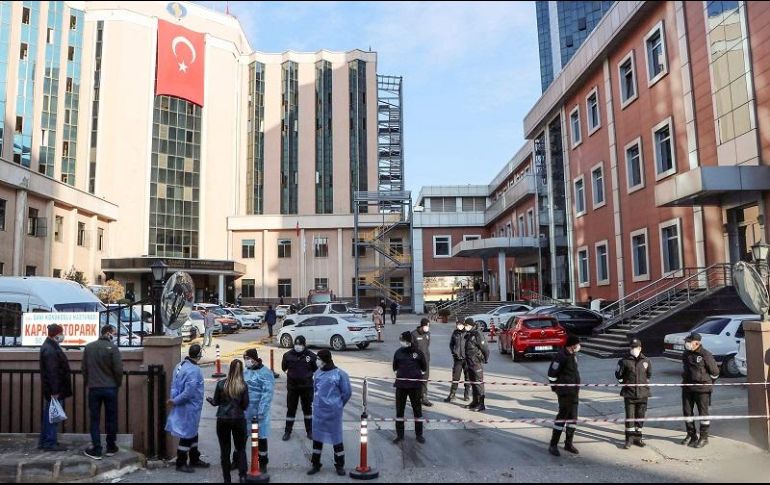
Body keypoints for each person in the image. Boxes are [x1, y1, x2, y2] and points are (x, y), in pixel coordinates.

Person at [166, 344, 210, 473]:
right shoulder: (194, 371)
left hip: (184, 406)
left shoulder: (180, 365)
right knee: (187, 435)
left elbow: (175, 385)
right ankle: (181, 462)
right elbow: (188, 393)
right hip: (190, 407)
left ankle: (194, 457)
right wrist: (175, 401)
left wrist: (174, 399)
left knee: (192, 433)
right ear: (198, 355)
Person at [308, 350, 352, 477]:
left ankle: (339, 466)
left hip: (333, 413)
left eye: (318, 359)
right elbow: (315, 389)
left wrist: (338, 405)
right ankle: (315, 464)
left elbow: (347, 393)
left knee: (336, 439)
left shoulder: (340, 374)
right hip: (319, 411)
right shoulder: (317, 373)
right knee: (317, 439)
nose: (316, 361)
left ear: (325, 359)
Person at [83, 325, 124, 460]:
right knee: (111, 418)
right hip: (110, 387)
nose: (115, 335)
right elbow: (118, 369)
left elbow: (84, 368)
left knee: (94, 419)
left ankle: (97, 448)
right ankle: (111, 446)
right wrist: (117, 383)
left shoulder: (89, 347)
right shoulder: (113, 348)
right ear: (108, 333)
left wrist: (88, 382)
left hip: (94, 387)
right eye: (114, 333)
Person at [207, 360, 249, 483]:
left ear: (230, 369)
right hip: (238, 419)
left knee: (225, 450)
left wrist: (209, 399)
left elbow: (216, 402)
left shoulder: (221, 384)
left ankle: (227, 479)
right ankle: (242, 476)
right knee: (241, 448)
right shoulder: (243, 385)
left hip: (223, 419)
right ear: (241, 370)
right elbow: (245, 405)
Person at [681, 333, 720, 448]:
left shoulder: (705, 355)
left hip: (702, 389)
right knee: (687, 413)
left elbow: (715, 372)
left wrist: (708, 384)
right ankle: (691, 435)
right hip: (687, 387)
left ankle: (704, 437)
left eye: (689, 341)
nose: (686, 344)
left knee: (703, 414)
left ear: (697, 343)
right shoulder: (686, 354)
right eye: (686, 341)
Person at [39, 324, 72, 452]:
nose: (62, 335)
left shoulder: (50, 347)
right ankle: (49, 442)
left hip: (54, 389)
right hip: (55, 390)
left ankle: (46, 441)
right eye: (61, 333)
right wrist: (55, 391)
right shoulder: (50, 349)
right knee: (53, 416)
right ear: (56, 334)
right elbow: (52, 372)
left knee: (51, 415)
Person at [548, 335, 582, 457]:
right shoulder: (561, 356)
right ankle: (553, 445)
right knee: (562, 418)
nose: (579, 346)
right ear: (572, 345)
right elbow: (552, 373)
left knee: (573, 418)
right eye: (577, 344)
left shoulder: (572, 355)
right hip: (565, 393)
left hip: (574, 392)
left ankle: (568, 443)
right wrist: (555, 388)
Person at [615, 339, 651, 449]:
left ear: (640, 348)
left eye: (635, 347)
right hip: (629, 395)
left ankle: (637, 438)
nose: (633, 349)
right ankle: (629, 439)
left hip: (643, 394)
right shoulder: (624, 361)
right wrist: (625, 384)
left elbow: (649, 375)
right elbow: (618, 375)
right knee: (630, 417)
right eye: (632, 347)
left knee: (640, 417)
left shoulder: (646, 361)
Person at [242, 349, 275, 472]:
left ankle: (263, 463)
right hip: (245, 411)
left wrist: (261, 412)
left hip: (259, 413)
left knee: (261, 439)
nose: (246, 361)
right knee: (242, 438)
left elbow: (267, 394)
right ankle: (238, 461)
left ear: (253, 359)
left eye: (247, 359)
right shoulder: (245, 372)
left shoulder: (266, 373)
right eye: (244, 359)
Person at [392, 331, 427, 444]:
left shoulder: (418, 353)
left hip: (415, 386)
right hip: (401, 386)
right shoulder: (398, 352)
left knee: (417, 410)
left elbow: (424, 367)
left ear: (408, 341)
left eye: (403, 340)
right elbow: (395, 367)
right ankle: (400, 435)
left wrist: (415, 376)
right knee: (399, 411)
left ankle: (419, 434)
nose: (401, 342)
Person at [282, 336, 317, 441]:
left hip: (307, 388)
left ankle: (309, 431)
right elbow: (284, 368)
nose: (298, 346)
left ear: (304, 345)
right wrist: (292, 374)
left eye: (300, 344)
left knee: (307, 410)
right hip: (293, 388)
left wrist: (306, 375)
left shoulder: (311, 356)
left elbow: (315, 369)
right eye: (296, 344)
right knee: (291, 409)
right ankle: (287, 431)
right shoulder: (287, 355)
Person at [463, 318, 489, 412]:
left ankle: (481, 404)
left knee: (478, 383)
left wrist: (484, 359)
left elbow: (485, 348)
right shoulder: (470, 334)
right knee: (473, 383)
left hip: (476, 363)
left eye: (466, 325)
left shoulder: (477, 334)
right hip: (469, 363)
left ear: (470, 325)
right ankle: (475, 402)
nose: (465, 327)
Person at [444, 319, 471, 403]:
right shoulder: (455, 333)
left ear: (463, 324)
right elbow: (451, 344)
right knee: (455, 377)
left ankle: (466, 395)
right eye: (457, 324)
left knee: (468, 378)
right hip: (457, 359)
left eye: (459, 324)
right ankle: (452, 394)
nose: (458, 326)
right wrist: (453, 352)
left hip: (467, 359)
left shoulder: (468, 333)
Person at [411, 319, 433, 407]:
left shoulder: (428, 334)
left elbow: (427, 346)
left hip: (426, 360)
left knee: (424, 379)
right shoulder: (413, 334)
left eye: (428, 326)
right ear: (422, 326)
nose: (428, 328)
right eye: (426, 326)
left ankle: (424, 397)